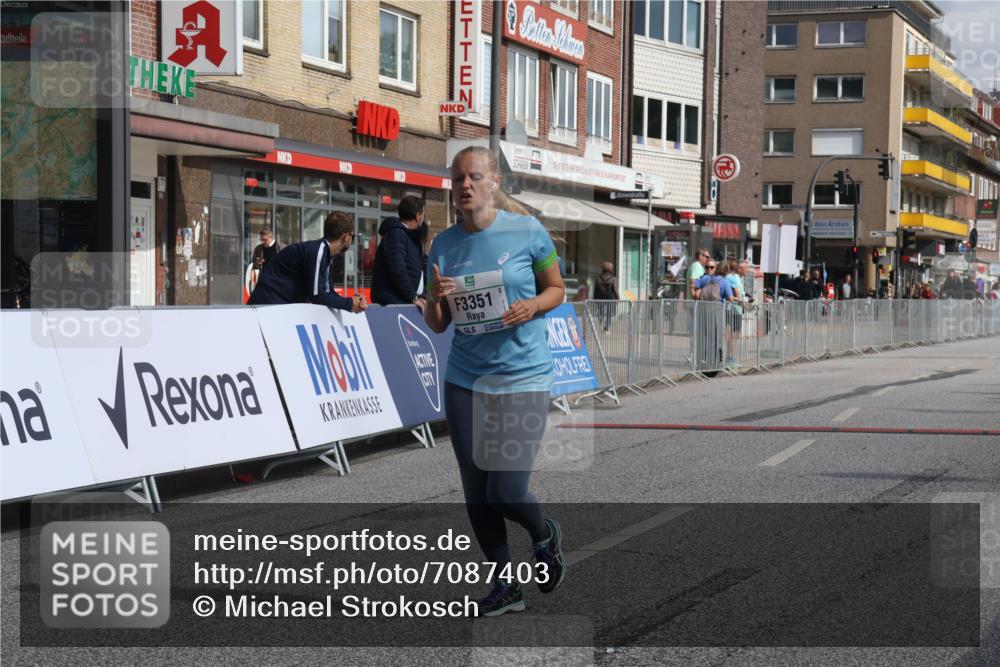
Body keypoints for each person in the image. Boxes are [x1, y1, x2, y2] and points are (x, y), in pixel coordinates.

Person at [424, 146, 566, 617]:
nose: (465, 185)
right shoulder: (442, 245)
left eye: (475, 177)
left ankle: (543, 534)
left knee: (504, 491)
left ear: (494, 182)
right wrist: (436, 300)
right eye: (458, 178)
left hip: (523, 376)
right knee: (476, 492)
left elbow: (557, 289)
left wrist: (533, 306)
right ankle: (506, 586)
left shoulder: (527, 232)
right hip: (466, 379)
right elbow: (438, 323)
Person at [247, 211, 366, 313]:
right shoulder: (318, 251)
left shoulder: (324, 253)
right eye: (353, 236)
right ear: (346, 237)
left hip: (275, 306)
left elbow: (328, 291)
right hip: (266, 307)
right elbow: (318, 296)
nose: (352, 240)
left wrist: (352, 302)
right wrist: (350, 304)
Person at [371, 195, 427, 309]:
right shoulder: (396, 234)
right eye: (423, 214)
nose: (424, 218)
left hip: (406, 301)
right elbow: (397, 268)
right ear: (418, 215)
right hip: (395, 303)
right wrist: (412, 297)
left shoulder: (410, 236)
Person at [592, 261, 619, 332]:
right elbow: (615, 290)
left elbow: (595, 290)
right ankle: (607, 327)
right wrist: (618, 298)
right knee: (609, 313)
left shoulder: (598, 278)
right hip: (610, 298)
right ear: (611, 269)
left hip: (599, 297)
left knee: (600, 311)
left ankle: (601, 322)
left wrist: (594, 298)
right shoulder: (613, 279)